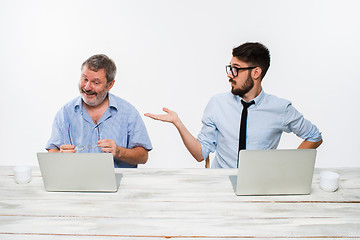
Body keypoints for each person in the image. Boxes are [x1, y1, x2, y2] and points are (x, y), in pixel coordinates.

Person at [145, 42, 322, 168]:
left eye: (236, 69)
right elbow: (200, 154)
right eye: (229, 68)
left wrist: (287, 168)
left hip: (259, 186)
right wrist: (178, 123)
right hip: (221, 184)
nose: (230, 75)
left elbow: (314, 136)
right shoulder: (217, 103)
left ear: (256, 72)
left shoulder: (280, 108)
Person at [46, 54, 152, 168]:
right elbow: (52, 151)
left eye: (95, 83)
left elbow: (143, 156)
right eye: (84, 79)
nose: (87, 87)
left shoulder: (128, 112)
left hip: (118, 183)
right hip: (76, 183)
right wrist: (60, 155)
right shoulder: (65, 112)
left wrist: (119, 152)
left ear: (110, 85)